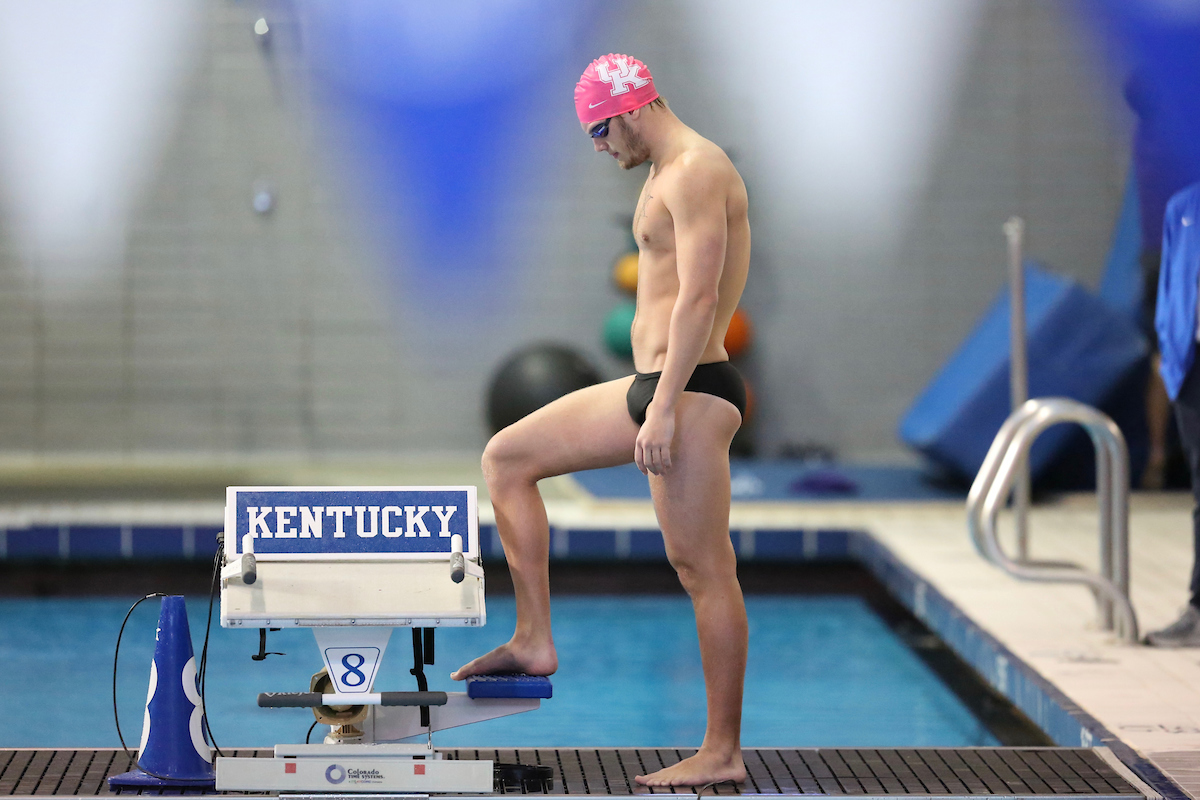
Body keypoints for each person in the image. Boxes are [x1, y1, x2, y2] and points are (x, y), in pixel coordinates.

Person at [452, 54, 751, 787]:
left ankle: (721, 751)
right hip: (652, 385)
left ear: (630, 109)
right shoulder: (663, 172)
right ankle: (533, 638)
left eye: (598, 131)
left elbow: (701, 300)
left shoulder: (695, 169)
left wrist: (666, 408)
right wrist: (653, 398)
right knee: (507, 458)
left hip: (691, 389)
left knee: (703, 569)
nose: (597, 147)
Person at [1147, 181, 1200, 647]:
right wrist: (1173, 357)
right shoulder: (1182, 206)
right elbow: (1170, 289)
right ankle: (1198, 610)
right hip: (1193, 366)